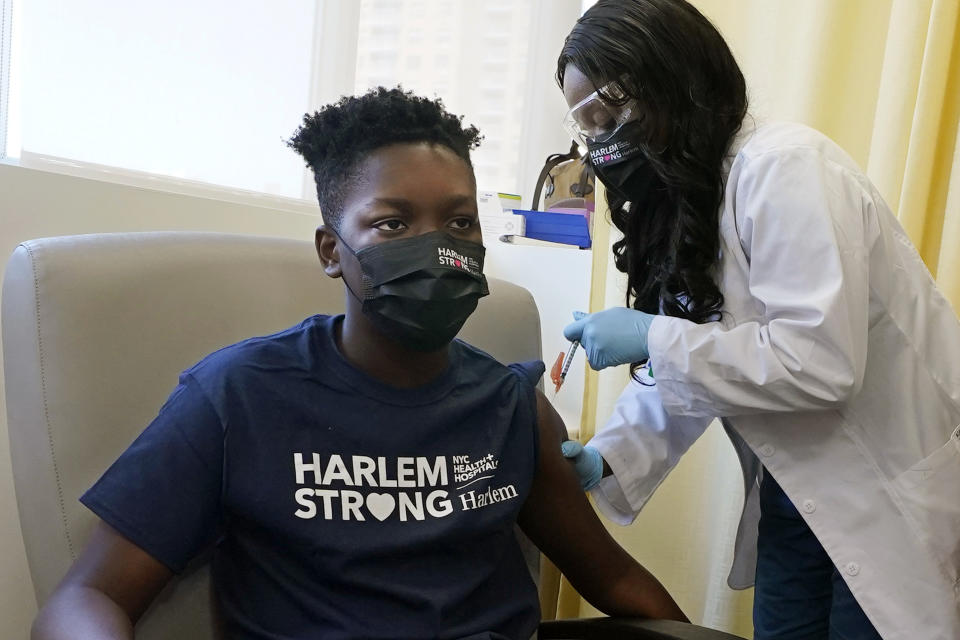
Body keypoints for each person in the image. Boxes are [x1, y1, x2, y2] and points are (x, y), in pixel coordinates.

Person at [31, 87, 688, 640]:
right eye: (393, 224)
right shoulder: (238, 398)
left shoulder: (509, 403)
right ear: (330, 249)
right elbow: (85, 598)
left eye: (459, 223)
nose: (436, 248)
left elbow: (617, 579)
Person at [555, 1, 960, 639]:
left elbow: (818, 363)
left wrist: (654, 337)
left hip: (887, 492)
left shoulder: (785, 166)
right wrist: (607, 458)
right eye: (590, 122)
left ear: (676, 78)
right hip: (797, 496)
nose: (603, 139)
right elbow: (701, 368)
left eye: (614, 110)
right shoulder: (695, 198)